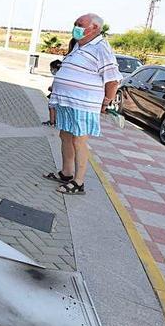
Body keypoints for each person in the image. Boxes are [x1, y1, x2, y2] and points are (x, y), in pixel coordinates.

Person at [44, 13, 122, 195]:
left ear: (95, 28)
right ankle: (66, 173)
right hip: (67, 101)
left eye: (80, 24)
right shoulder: (79, 46)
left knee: (79, 140)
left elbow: (112, 79)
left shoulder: (101, 48)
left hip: (84, 104)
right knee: (65, 135)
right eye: (75, 23)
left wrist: (106, 101)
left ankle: (78, 182)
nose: (76, 27)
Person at [43, 59, 63, 126]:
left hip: (55, 96)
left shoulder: (58, 77)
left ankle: (52, 122)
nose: (51, 70)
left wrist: (50, 88)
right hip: (60, 96)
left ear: (55, 69)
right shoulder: (62, 76)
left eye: (51, 69)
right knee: (56, 108)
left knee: (51, 108)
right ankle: (56, 121)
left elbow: (54, 88)